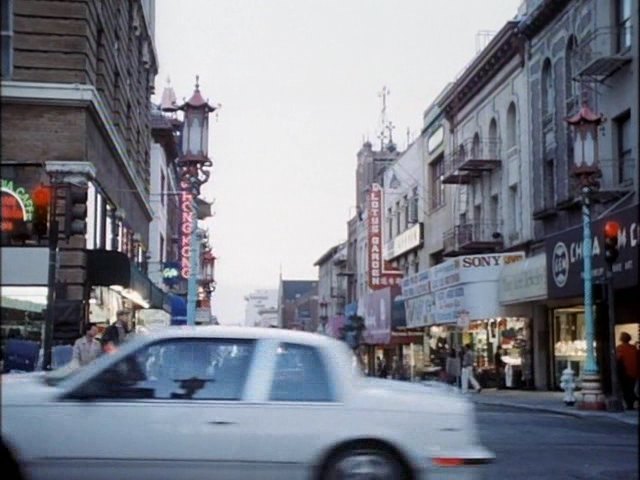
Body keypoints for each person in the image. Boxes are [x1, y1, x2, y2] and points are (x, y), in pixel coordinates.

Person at [616, 332, 639, 410]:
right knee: (631, 389)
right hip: (634, 372)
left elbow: (618, 359)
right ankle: (631, 404)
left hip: (625, 373)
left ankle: (631, 404)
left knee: (626, 390)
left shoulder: (620, 348)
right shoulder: (633, 348)